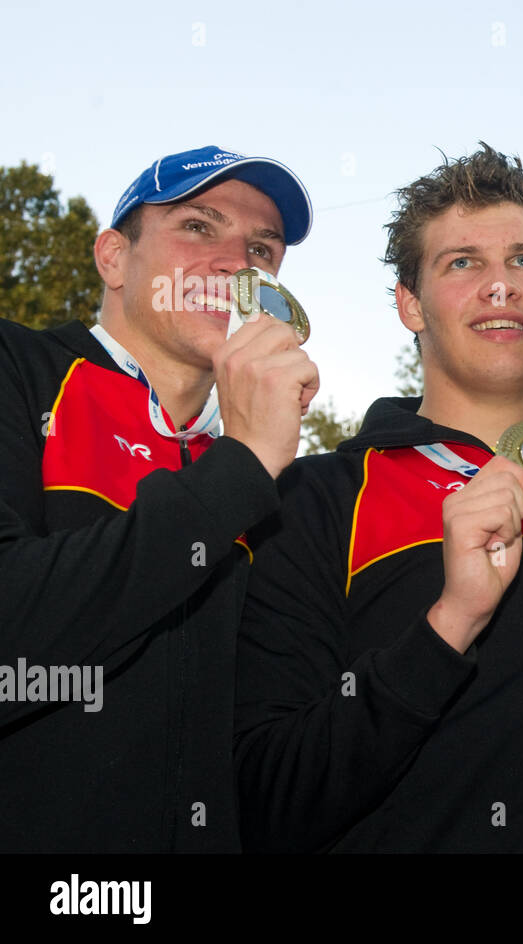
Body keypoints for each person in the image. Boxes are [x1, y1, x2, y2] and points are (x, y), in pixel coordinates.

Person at [234, 144, 523, 852]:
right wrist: (448, 625)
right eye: (462, 262)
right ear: (410, 304)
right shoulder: (318, 499)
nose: (501, 286)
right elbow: (267, 795)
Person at [0, 144, 317, 851]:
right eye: (199, 227)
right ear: (113, 257)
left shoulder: (282, 477)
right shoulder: (18, 372)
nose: (237, 261)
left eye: (262, 249)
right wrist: (239, 469)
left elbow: (276, 753)